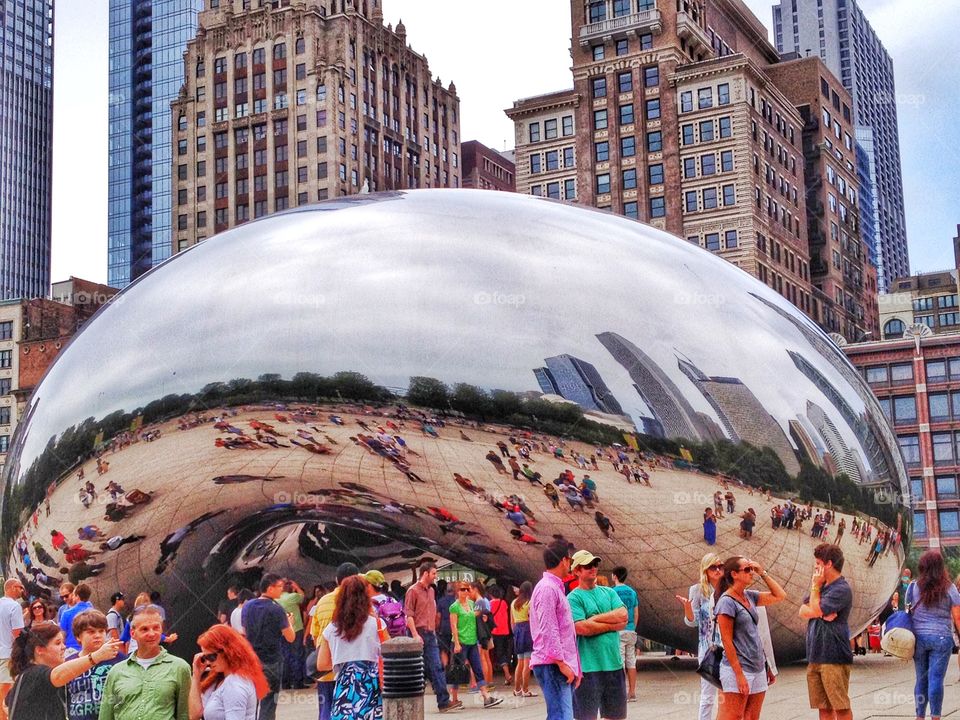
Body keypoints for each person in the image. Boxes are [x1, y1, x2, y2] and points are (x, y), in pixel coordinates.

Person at [714, 557, 787, 720]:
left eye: (751, 569)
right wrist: (739, 674)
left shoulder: (750, 596)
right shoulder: (727, 601)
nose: (751, 573)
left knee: (752, 717)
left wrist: (763, 573)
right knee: (732, 716)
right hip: (737, 669)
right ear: (734, 574)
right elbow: (726, 641)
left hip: (758, 667)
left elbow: (780, 595)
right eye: (747, 570)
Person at [5, 620, 120, 720]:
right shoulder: (35, 674)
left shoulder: (27, 676)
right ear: (39, 650)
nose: (64, 647)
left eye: (63, 642)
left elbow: (6, 703)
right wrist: (96, 656)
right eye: (58, 643)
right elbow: (58, 675)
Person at [99, 604, 191, 720]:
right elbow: (106, 715)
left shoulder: (180, 668)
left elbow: (184, 714)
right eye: (144, 629)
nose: (152, 634)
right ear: (133, 634)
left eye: (156, 628)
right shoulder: (116, 672)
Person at [567, 550, 628, 720]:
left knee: (616, 716)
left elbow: (623, 616)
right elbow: (581, 628)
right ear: (577, 571)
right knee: (586, 717)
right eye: (587, 566)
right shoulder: (573, 598)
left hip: (614, 665)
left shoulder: (610, 592)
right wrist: (611, 625)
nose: (593, 568)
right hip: (588, 669)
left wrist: (593, 619)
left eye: (595, 564)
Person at [315, 576, 383, 720]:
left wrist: (342, 658)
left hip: (344, 687)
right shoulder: (376, 624)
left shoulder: (331, 628)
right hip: (371, 685)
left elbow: (321, 664)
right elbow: (388, 653)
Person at [799, 543, 853, 720]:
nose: (815, 568)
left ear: (828, 564)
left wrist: (815, 591)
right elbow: (803, 610)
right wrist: (819, 611)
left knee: (840, 706)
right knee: (823, 707)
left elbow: (815, 609)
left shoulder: (841, 589)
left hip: (833, 656)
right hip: (815, 654)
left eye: (817, 563)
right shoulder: (824, 587)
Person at [906, 550, 960, 720]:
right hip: (941, 638)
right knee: (936, 679)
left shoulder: (913, 586)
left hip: (919, 639)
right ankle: (935, 717)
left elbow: (907, 610)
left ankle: (919, 716)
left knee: (920, 679)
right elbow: (957, 615)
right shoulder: (949, 587)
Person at [530, 541, 581, 720]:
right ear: (564, 561)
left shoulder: (554, 587)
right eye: (570, 559)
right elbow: (548, 629)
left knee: (560, 715)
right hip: (552, 664)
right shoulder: (547, 589)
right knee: (561, 716)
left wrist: (576, 668)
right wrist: (561, 663)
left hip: (557, 663)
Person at [403, 561, 462, 713]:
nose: (436, 576)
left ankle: (443, 701)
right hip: (418, 633)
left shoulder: (431, 591)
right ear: (425, 573)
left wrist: (434, 630)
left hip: (430, 634)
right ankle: (411, 703)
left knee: (437, 667)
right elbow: (408, 615)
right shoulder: (412, 591)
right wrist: (415, 634)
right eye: (434, 573)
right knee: (417, 671)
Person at [241, 574, 295, 720]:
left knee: (251, 702)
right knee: (269, 703)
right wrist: (290, 623)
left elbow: (245, 632)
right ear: (270, 588)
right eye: (280, 587)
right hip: (271, 661)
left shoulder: (247, 606)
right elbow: (290, 638)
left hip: (251, 660)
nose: (282, 591)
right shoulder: (277, 609)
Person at [310, 562, 360, 720]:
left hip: (325, 669)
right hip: (350, 668)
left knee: (326, 708)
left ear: (337, 580)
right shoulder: (360, 603)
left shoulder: (323, 601)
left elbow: (315, 635)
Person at [188, 624, 268, 720]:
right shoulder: (219, 678)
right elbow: (195, 715)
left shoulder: (235, 683)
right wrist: (196, 675)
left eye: (211, 657)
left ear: (228, 652)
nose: (208, 662)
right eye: (205, 657)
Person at [677, 552, 724, 720]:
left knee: (729, 693)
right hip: (708, 648)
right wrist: (688, 608)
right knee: (708, 694)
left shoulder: (729, 589)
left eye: (720, 566)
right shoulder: (697, 590)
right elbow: (692, 622)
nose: (718, 570)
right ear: (706, 570)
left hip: (729, 646)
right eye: (713, 567)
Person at [65, 610, 126, 720]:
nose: (97, 635)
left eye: (101, 631)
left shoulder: (119, 658)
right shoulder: (69, 663)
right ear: (78, 636)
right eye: (91, 632)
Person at [450, 582, 503, 708]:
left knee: (478, 669)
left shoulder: (472, 604)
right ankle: (454, 699)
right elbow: (453, 625)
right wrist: (457, 643)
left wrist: (483, 618)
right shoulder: (454, 607)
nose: (465, 592)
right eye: (462, 589)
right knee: (458, 671)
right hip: (461, 642)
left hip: (472, 641)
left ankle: (486, 697)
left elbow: (476, 616)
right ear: (457, 591)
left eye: (467, 589)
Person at [610, 567, 638, 703]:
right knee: (631, 662)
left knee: (619, 662)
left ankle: (620, 692)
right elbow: (636, 612)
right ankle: (632, 692)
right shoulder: (632, 592)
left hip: (618, 630)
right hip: (631, 629)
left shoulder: (612, 592)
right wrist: (633, 627)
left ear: (614, 576)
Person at [0, 578, 25, 711]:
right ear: (12, 588)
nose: (22, 590)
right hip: (8, 654)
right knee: (6, 693)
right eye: (20, 587)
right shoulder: (14, 606)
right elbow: (17, 634)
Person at [277, 579, 306, 689]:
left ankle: (285, 683)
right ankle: (298, 682)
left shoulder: (276, 599)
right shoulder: (292, 597)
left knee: (285, 656)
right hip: (296, 629)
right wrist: (297, 586)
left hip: (282, 631)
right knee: (297, 655)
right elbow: (302, 597)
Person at [511, 581, 535, 698]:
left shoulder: (513, 603)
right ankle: (525, 689)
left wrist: (515, 633)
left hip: (517, 631)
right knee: (527, 663)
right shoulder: (529, 603)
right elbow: (532, 619)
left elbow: (512, 622)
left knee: (519, 662)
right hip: (527, 630)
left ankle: (517, 689)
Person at [488, 586, 513, 687]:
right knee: (504, 651)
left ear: (491, 594)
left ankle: (507, 674)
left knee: (499, 654)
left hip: (495, 631)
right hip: (505, 631)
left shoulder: (490, 604)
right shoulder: (504, 603)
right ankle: (507, 673)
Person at [60, 584, 94, 652]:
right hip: (89, 645)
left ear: (75, 595)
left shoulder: (66, 613)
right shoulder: (91, 609)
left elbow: (62, 634)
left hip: (72, 649)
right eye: (62, 597)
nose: (64, 599)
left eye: (66, 596)